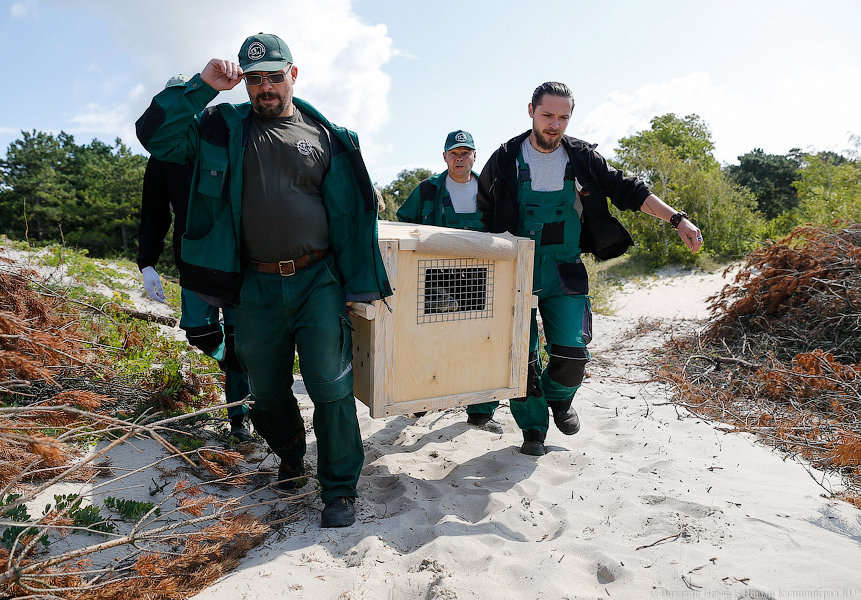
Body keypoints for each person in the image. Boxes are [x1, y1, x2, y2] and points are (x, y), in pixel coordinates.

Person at [135, 33, 391, 528]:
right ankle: (291, 454)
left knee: (330, 385)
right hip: (253, 286)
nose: (265, 87)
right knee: (267, 393)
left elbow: (351, 216)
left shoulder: (328, 136)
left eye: (275, 76)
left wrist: (356, 286)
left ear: (293, 74)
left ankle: (339, 489)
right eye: (254, 79)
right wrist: (202, 86)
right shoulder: (218, 128)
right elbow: (156, 137)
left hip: (318, 280)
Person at [478, 82, 703, 456]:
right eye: (547, 115)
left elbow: (628, 189)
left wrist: (677, 219)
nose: (554, 124)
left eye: (563, 117)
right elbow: (481, 209)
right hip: (515, 269)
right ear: (531, 111)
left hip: (564, 268)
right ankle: (533, 429)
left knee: (573, 356)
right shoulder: (505, 158)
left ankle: (559, 397)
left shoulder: (581, 157)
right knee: (521, 360)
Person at [137, 136, 251, 442]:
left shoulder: (232, 139)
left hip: (238, 258)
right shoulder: (165, 153)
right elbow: (155, 209)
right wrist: (147, 263)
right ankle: (231, 359)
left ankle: (239, 418)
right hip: (193, 259)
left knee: (240, 342)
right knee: (199, 332)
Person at [396, 130, 502, 434]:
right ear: (444, 157)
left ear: (475, 156)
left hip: (481, 277)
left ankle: (481, 412)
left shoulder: (490, 188)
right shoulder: (428, 189)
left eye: (465, 153)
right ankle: (420, 399)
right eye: (454, 153)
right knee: (429, 340)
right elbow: (404, 225)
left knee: (482, 341)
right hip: (435, 278)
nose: (460, 158)